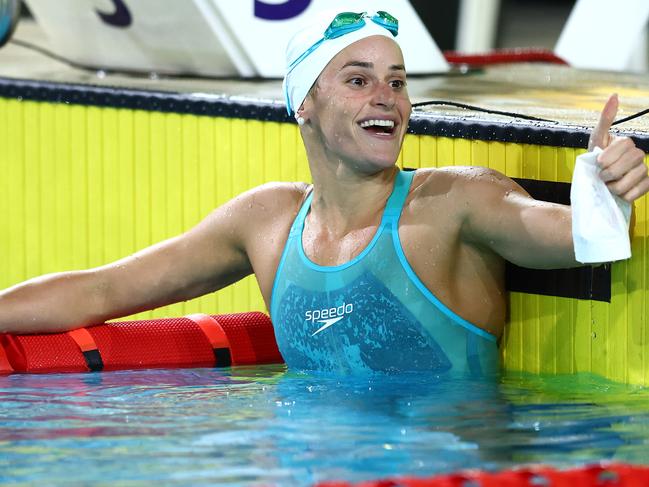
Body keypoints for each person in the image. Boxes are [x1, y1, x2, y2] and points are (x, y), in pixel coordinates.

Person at [1, 11, 648, 375]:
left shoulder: (452, 202)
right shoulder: (267, 221)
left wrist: (602, 187)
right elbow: (102, 290)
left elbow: (575, 238)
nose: (386, 99)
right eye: (358, 80)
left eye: (396, 82)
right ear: (303, 102)